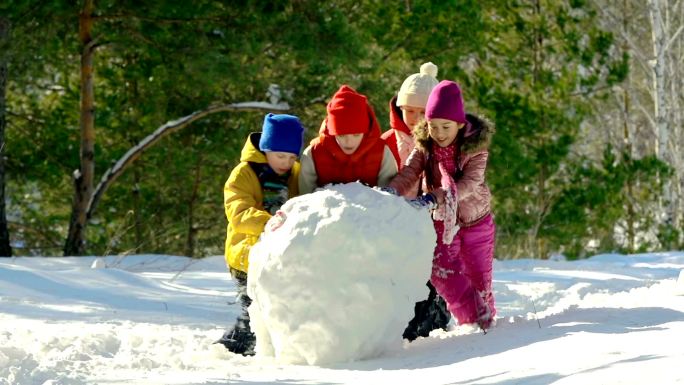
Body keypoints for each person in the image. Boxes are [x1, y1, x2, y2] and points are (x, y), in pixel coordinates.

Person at [388, 80, 497, 332]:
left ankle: (487, 322)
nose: (439, 133)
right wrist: (391, 191)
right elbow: (410, 172)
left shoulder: (476, 150)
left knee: (479, 280)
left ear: (459, 124)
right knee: (441, 268)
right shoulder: (425, 146)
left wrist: (439, 195)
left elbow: (470, 182)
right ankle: (473, 318)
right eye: (433, 126)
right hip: (441, 220)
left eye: (445, 126)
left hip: (476, 221)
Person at [217, 113, 304, 355]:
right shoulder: (243, 173)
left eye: (291, 157)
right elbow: (238, 211)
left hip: (277, 257)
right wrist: (270, 222)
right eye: (279, 155)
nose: (285, 162)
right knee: (251, 313)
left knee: (272, 310)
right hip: (246, 256)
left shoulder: (295, 173)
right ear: (266, 148)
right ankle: (228, 352)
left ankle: (261, 350)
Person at [380, 62, 451, 341]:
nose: (413, 117)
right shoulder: (387, 142)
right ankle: (402, 325)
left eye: (422, 112)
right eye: (408, 110)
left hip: (430, 216)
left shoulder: (440, 143)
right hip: (396, 219)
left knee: (429, 274)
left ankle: (433, 319)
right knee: (401, 274)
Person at [298, 85, 397, 194]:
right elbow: (304, 199)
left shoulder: (382, 153)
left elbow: (387, 199)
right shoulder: (314, 153)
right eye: (341, 135)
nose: (349, 142)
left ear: (365, 132)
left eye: (356, 135)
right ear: (332, 132)